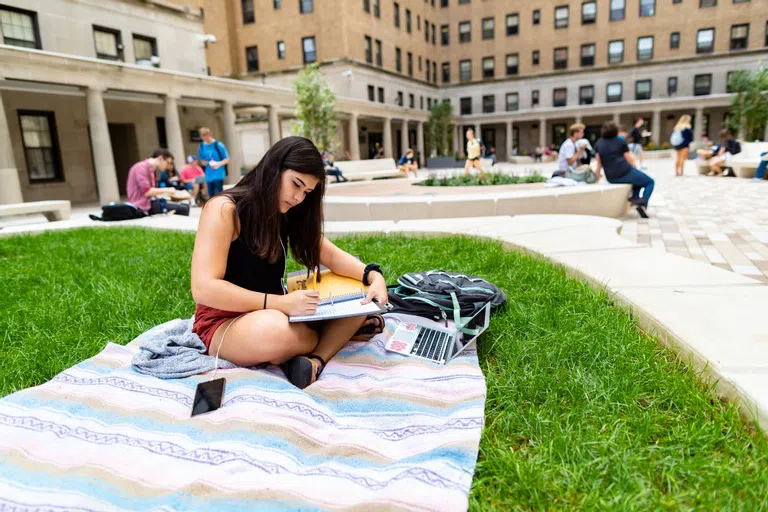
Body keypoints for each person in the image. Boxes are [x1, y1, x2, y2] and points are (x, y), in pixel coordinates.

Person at [190, 136, 388, 389]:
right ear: (275, 168)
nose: (298, 198)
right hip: (225, 323)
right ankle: (336, 333)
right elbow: (204, 288)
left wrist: (373, 276)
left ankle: (315, 361)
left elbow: (331, 256)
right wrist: (280, 303)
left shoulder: (288, 213)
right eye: (296, 184)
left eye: (306, 192)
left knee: (357, 296)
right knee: (276, 331)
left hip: (282, 310)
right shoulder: (224, 209)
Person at [594, 121, 654, 219]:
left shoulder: (599, 143)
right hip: (625, 171)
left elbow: (599, 163)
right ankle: (642, 206)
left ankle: (635, 198)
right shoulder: (619, 141)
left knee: (637, 180)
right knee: (650, 182)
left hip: (611, 177)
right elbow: (629, 159)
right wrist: (635, 168)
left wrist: (596, 178)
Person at [126, 149, 187, 215]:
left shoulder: (152, 170)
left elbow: (153, 192)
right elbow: (147, 192)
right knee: (183, 209)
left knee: (184, 205)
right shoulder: (141, 168)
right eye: (168, 162)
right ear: (160, 158)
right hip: (142, 205)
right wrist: (168, 190)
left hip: (150, 202)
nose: (168, 166)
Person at [198, 127, 230, 198]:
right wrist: (204, 162)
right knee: (211, 195)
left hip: (219, 173)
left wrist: (217, 164)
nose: (205, 138)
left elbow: (227, 159)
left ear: (210, 134)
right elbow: (202, 160)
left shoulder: (218, 145)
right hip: (209, 174)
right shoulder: (201, 146)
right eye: (202, 136)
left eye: (206, 135)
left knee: (218, 194)